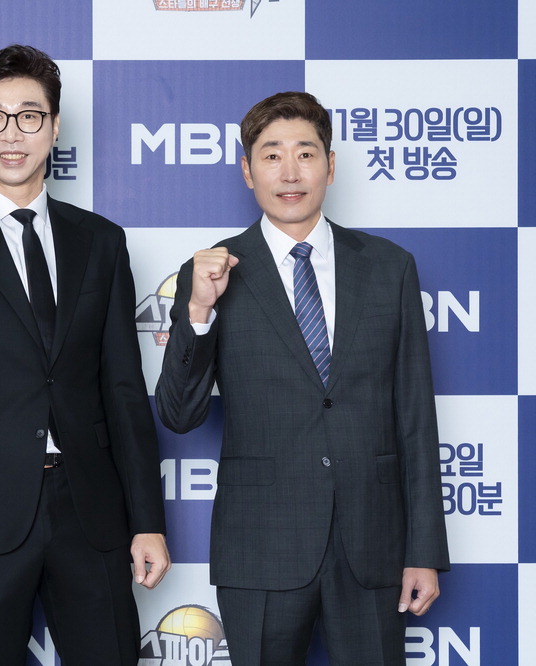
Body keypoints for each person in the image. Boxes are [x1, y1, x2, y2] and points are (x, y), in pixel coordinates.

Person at [0, 44, 170, 665]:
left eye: (29, 116)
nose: (11, 134)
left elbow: (123, 387)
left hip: (90, 510)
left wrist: (147, 520)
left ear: (54, 126)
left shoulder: (100, 240)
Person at [154, 91, 450, 664]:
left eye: (305, 154)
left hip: (373, 545)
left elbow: (416, 418)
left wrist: (424, 551)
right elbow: (179, 414)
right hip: (260, 544)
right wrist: (199, 312)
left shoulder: (389, 267)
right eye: (271, 156)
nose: (290, 173)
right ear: (247, 171)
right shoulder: (211, 270)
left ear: (330, 166)